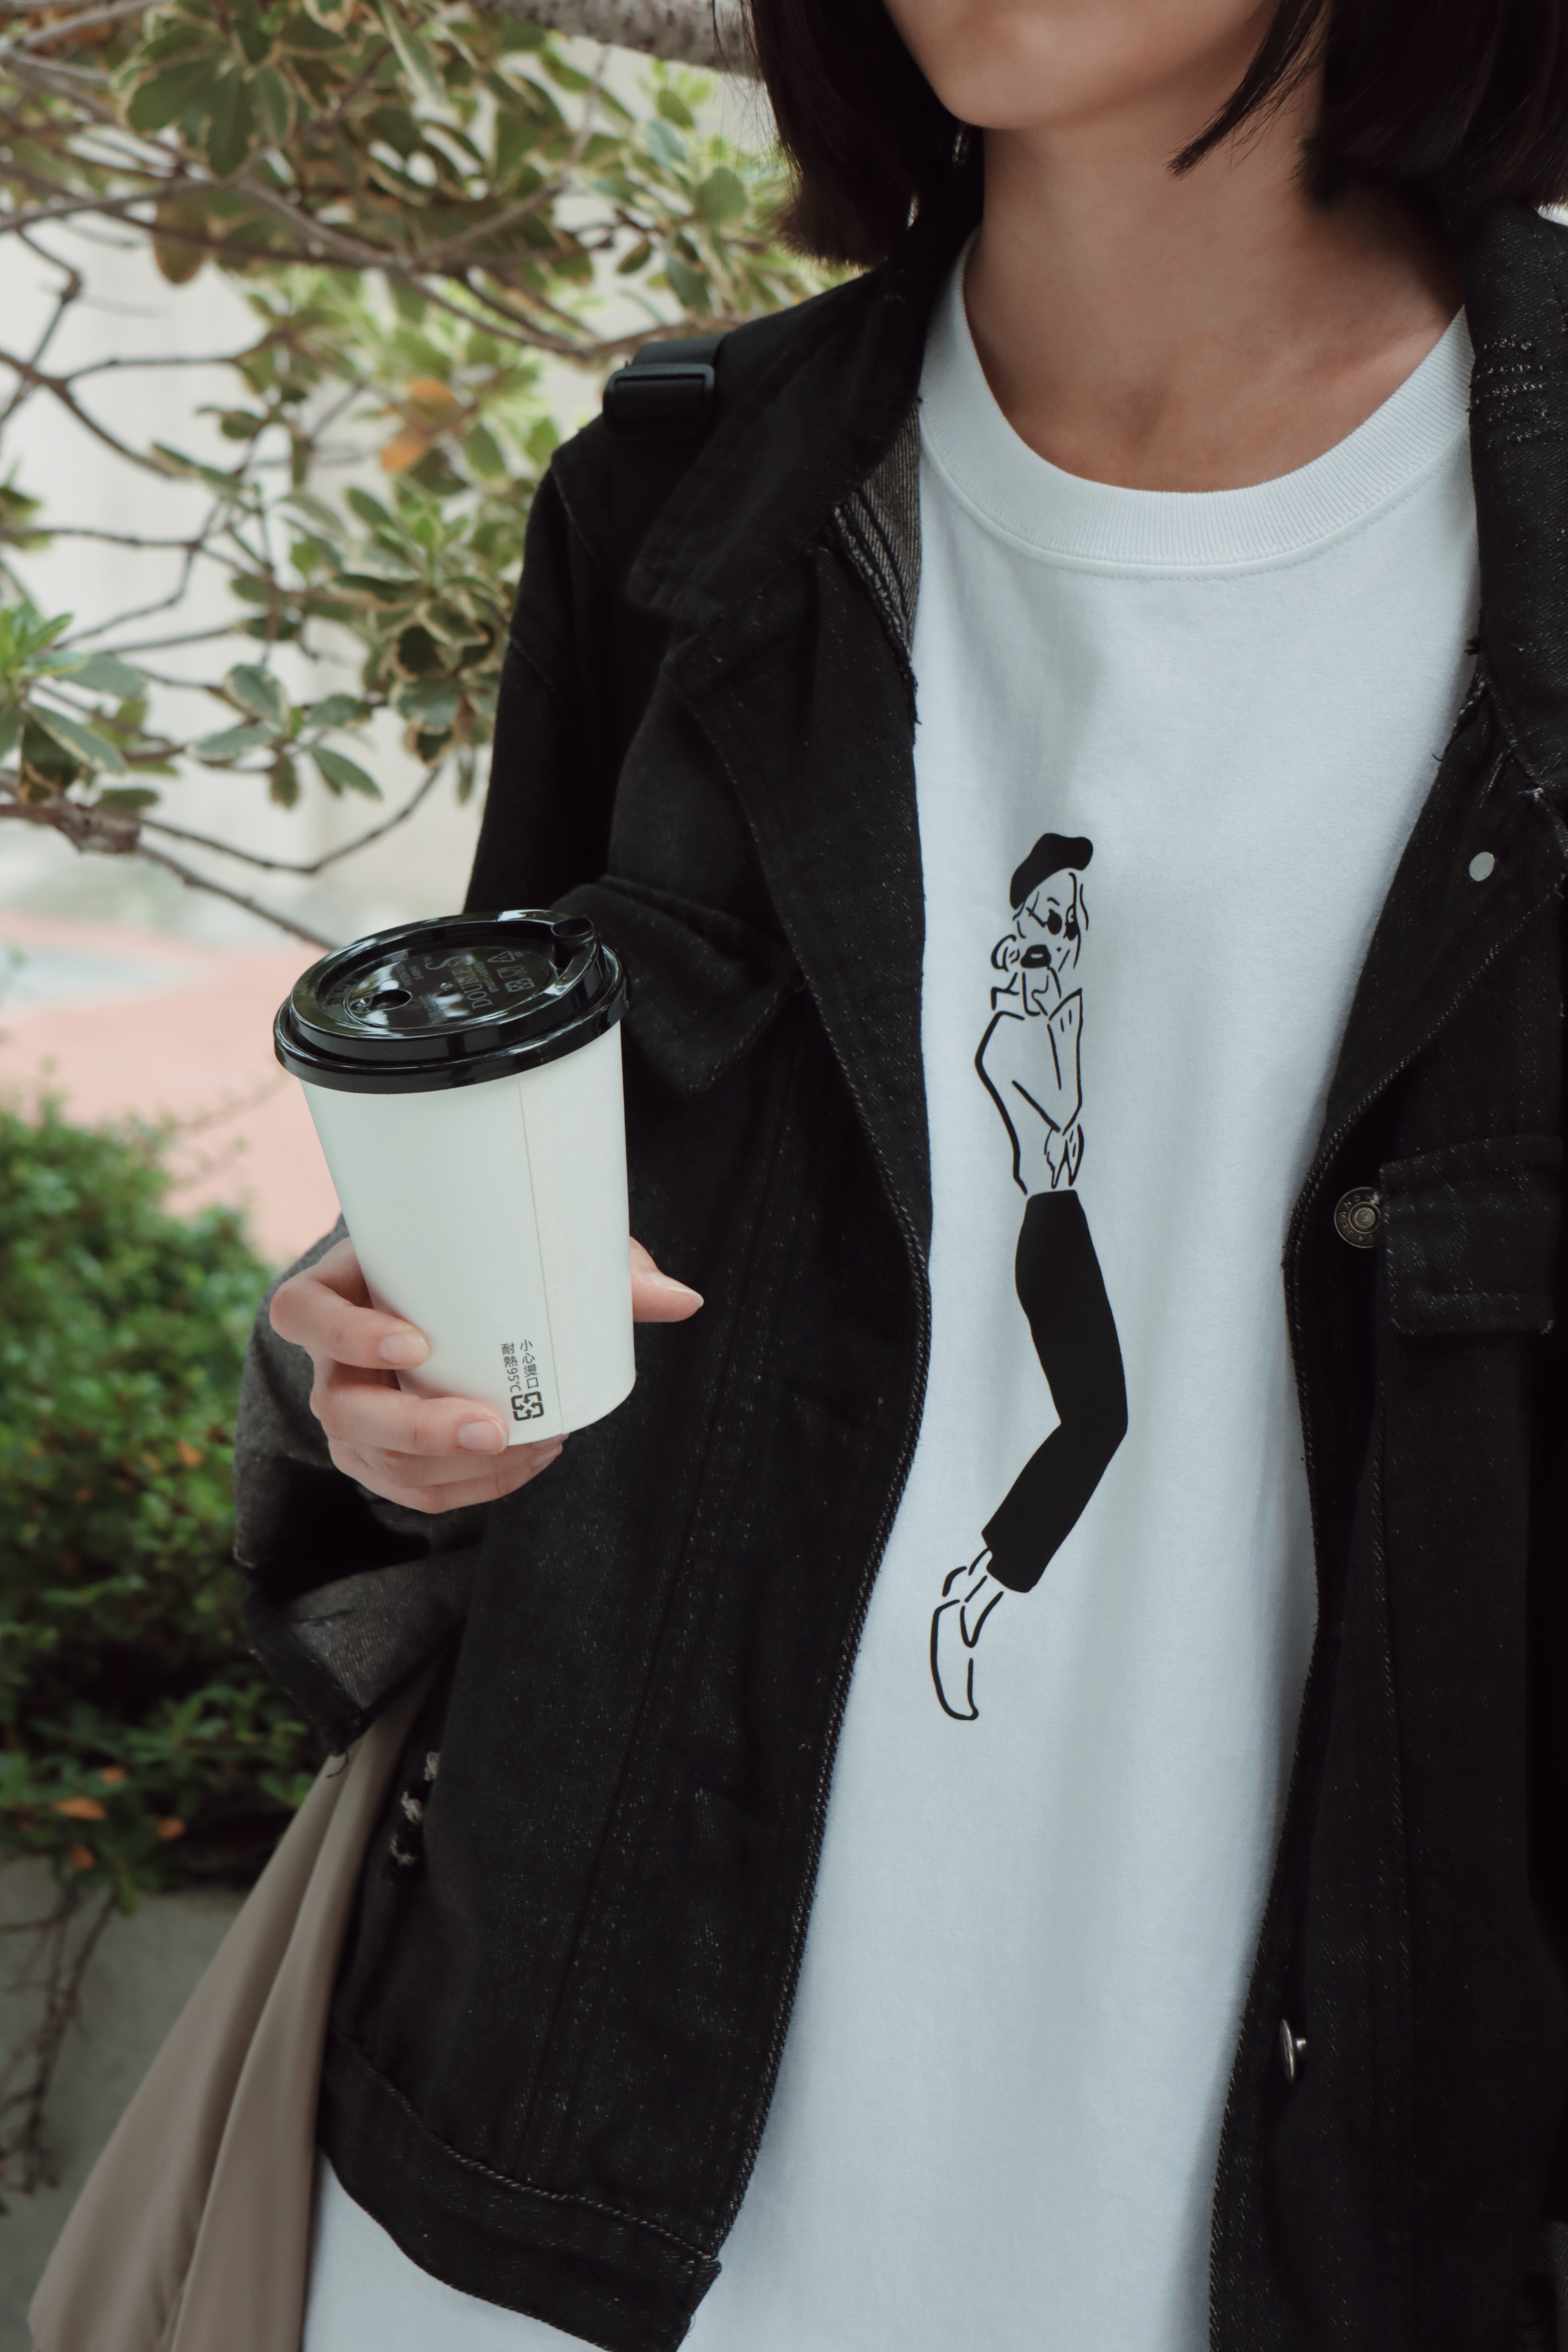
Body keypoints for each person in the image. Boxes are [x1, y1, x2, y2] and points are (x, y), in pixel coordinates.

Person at [237, 0, 1568, 2343]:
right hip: (586, 2154)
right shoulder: (679, 497)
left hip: (1304, 2186)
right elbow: (496, 1212)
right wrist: (379, 1382)